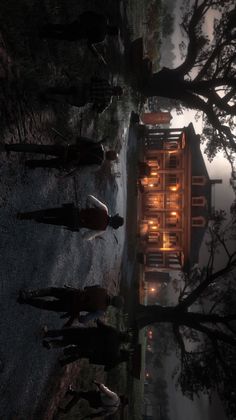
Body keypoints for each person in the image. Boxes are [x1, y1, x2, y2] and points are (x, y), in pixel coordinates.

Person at [17, 195, 124, 239]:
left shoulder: (104, 209)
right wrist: (90, 234)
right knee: (51, 221)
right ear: (112, 225)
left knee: (48, 212)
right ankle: (36, 219)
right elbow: (85, 237)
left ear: (114, 216)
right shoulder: (102, 229)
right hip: (73, 223)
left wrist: (87, 207)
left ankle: (24, 216)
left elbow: (89, 197)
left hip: (73, 211)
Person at [17, 285, 124, 327]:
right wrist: (79, 316)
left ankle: (30, 294)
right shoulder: (101, 311)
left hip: (72, 293)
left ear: (115, 296)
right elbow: (84, 320)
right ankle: (26, 301)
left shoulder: (103, 289)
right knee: (47, 305)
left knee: (52, 291)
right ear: (114, 306)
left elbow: (87, 287)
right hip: (71, 306)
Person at [2, 137, 118, 170]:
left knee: (39, 148)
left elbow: (79, 139)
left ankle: (9, 147)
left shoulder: (99, 145)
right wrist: (67, 176)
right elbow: (80, 170)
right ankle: (26, 164)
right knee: (45, 164)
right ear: (109, 160)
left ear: (109, 151)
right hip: (66, 162)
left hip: (65, 149)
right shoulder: (97, 165)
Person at [42, 320, 131, 361]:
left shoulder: (114, 332)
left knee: (66, 333)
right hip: (88, 346)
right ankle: (51, 345)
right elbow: (102, 355)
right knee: (68, 342)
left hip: (88, 333)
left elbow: (102, 326)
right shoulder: (115, 350)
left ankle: (48, 334)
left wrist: (98, 321)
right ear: (124, 342)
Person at [42, 77, 123, 113]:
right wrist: (96, 106)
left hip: (83, 87)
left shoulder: (106, 82)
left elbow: (93, 78)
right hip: (83, 98)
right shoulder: (108, 101)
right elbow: (99, 111)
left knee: (66, 90)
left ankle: (50, 89)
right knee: (65, 98)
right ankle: (47, 97)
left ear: (115, 87)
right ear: (115, 95)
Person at [39, 11, 119, 46]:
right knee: (61, 36)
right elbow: (89, 43)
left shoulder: (104, 19)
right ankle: (44, 34)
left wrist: (81, 17)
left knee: (64, 27)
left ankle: (47, 26)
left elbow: (91, 13)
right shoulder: (101, 37)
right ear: (111, 34)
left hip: (80, 23)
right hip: (79, 34)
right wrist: (96, 54)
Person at [59, 382, 128, 417]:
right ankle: (70, 392)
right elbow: (102, 414)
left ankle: (66, 409)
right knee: (81, 395)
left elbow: (105, 390)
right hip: (95, 404)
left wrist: (98, 383)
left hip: (95, 396)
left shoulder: (115, 396)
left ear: (121, 397)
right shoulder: (114, 409)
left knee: (80, 394)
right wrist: (92, 416)